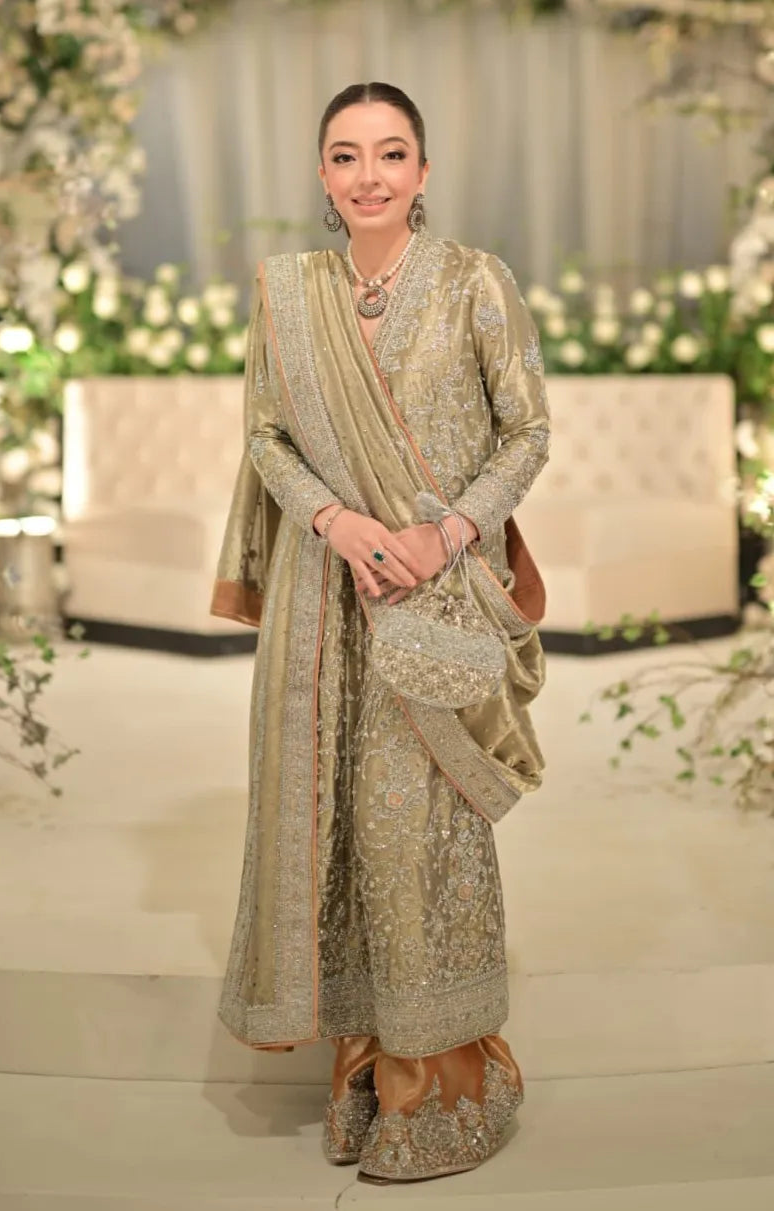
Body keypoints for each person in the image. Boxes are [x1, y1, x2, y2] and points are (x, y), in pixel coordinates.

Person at [211, 81, 551, 1184]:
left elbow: (527, 429)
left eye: (391, 153)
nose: (370, 175)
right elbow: (265, 436)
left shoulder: (471, 282)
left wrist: (445, 533)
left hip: (432, 595)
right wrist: (343, 521)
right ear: (321, 175)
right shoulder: (288, 294)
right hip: (326, 599)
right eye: (347, 156)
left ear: (423, 170)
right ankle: (358, 1069)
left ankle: (440, 1084)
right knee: (340, 831)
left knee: (419, 832)